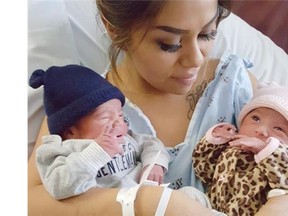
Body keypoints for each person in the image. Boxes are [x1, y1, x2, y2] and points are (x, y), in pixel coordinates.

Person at [28, 1, 288, 215]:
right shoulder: (84, 106)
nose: (196, 58)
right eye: (170, 43)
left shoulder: (236, 84)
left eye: (207, 34)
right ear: (114, 28)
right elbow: (26, 202)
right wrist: (145, 203)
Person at [29, 64, 170, 200]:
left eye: (120, 115)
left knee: (190, 195)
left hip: (150, 197)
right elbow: (58, 186)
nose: (118, 123)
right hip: (114, 207)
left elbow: (151, 144)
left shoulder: (126, 138)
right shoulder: (63, 151)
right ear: (70, 131)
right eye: (106, 117)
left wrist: (154, 164)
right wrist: (96, 153)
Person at [193, 81, 288, 215]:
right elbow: (203, 172)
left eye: (278, 128)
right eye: (255, 118)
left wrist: (267, 149)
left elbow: (284, 180)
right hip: (211, 209)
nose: (261, 130)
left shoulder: (279, 162)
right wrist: (214, 140)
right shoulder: (230, 147)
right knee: (188, 194)